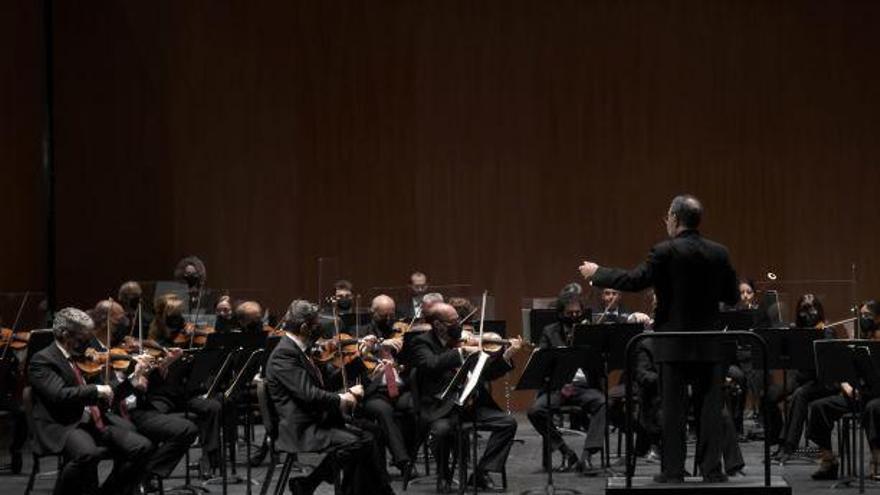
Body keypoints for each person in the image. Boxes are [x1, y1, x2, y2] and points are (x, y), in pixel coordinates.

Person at [579, 194, 740, 483]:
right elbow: (731, 296)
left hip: (673, 344)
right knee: (709, 412)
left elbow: (634, 281)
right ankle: (712, 471)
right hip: (709, 343)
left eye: (668, 216)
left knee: (674, 411)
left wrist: (598, 273)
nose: (666, 221)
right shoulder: (720, 252)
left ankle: (673, 471)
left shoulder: (664, 251)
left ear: (675, 219)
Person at [266, 299, 394, 495]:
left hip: (316, 418)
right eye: (316, 324)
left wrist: (359, 360)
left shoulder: (301, 349)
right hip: (301, 427)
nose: (320, 328)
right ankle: (316, 484)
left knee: (374, 432)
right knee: (361, 442)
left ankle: (325, 486)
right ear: (304, 327)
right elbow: (309, 394)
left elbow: (326, 384)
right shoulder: (285, 354)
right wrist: (344, 398)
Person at [28, 307, 154, 495]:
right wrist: (96, 389)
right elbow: (59, 395)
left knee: (142, 447)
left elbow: (110, 392)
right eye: (82, 337)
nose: (88, 342)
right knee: (87, 454)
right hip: (64, 423)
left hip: (93, 420)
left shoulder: (84, 357)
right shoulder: (43, 360)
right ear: (64, 334)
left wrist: (133, 378)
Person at [409, 302, 521, 492]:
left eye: (458, 320)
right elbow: (430, 364)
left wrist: (506, 356)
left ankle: (480, 474)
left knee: (508, 423)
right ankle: (444, 476)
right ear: (438, 325)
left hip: (471, 405)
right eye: (453, 321)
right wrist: (460, 352)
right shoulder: (422, 343)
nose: (459, 325)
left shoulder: (465, 341)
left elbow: (488, 374)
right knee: (440, 432)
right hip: (442, 408)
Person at [526, 290, 606, 474]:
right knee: (535, 411)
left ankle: (587, 457)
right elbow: (543, 363)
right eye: (570, 314)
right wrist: (560, 384)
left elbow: (598, 364)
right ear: (561, 314)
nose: (575, 317)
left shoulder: (589, 330)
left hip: (583, 387)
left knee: (602, 403)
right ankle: (566, 451)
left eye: (578, 313)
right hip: (557, 388)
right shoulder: (550, 331)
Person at [767, 294, 835, 463]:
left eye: (811, 308)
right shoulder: (798, 332)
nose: (808, 313)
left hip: (825, 382)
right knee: (770, 395)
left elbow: (828, 367)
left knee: (799, 395)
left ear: (819, 310)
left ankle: (789, 446)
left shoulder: (827, 331)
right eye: (803, 310)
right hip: (804, 379)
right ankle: (780, 441)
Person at [356, 295, 416, 482]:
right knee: (383, 411)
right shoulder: (360, 332)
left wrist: (405, 355)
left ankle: (409, 454)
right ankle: (402, 461)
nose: (390, 320)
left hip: (401, 388)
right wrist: (379, 345)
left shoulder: (402, 332)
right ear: (372, 312)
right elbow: (354, 352)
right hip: (375, 392)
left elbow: (416, 353)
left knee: (416, 408)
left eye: (392, 315)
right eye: (384, 316)